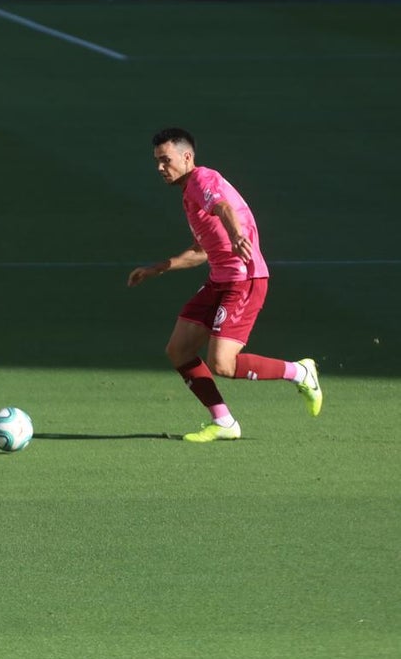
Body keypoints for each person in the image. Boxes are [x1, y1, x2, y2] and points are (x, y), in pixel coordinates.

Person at [127, 128, 323, 442]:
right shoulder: (189, 192)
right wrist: (157, 269)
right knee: (178, 350)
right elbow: (199, 252)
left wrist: (236, 235)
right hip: (219, 280)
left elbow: (224, 208)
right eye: (157, 162)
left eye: (166, 160)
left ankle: (300, 372)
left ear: (186, 156)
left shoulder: (203, 180)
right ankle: (224, 422)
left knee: (223, 363)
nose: (160, 167)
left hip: (244, 280)